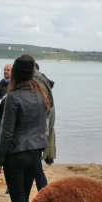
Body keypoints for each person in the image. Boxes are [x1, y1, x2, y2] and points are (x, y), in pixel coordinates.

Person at [0, 54, 49, 202]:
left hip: (16, 156)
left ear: (15, 73)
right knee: (24, 199)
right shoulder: (41, 95)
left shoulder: (13, 98)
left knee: (18, 201)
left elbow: (6, 134)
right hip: (35, 154)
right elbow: (42, 127)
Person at [33, 62, 56, 190]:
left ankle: (44, 192)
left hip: (37, 135)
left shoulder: (39, 85)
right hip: (40, 134)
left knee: (36, 168)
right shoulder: (44, 84)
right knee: (36, 167)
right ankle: (44, 191)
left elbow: (45, 115)